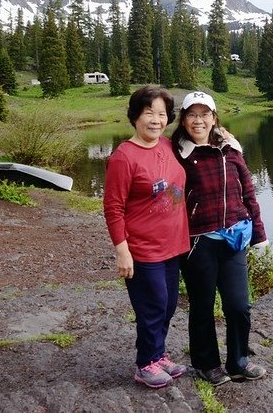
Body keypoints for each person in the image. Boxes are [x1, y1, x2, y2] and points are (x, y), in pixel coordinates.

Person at [172, 90, 268, 386]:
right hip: (198, 241)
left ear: (214, 118)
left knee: (239, 305)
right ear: (184, 120)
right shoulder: (177, 153)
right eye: (192, 114)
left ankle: (238, 362)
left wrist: (259, 234)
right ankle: (207, 364)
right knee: (202, 305)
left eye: (205, 114)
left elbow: (248, 192)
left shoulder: (231, 148)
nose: (198, 120)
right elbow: (168, 195)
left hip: (235, 238)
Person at [103, 85, 190, 389]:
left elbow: (203, 136)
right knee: (152, 305)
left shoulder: (166, 145)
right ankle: (145, 364)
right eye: (149, 113)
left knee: (167, 304)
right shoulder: (123, 158)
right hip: (143, 247)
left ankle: (159, 354)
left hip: (173, 244)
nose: (156, 119)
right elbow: (113, 208)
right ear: (135, 116)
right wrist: (121, 250)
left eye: (162, 114)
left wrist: (229, 140)